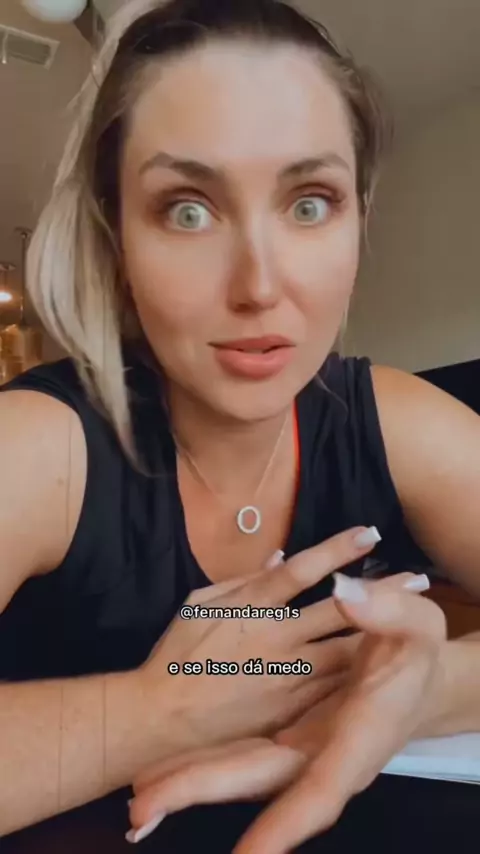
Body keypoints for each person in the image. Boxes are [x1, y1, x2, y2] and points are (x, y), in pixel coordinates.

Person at [1, 0, 479, 851]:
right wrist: (159, 710)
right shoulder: (39, 447)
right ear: (118, 247)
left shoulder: (392, 418)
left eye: (310, 203)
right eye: (188, 209)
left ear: (359, 225)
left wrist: (414, 689)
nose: (260, 285)